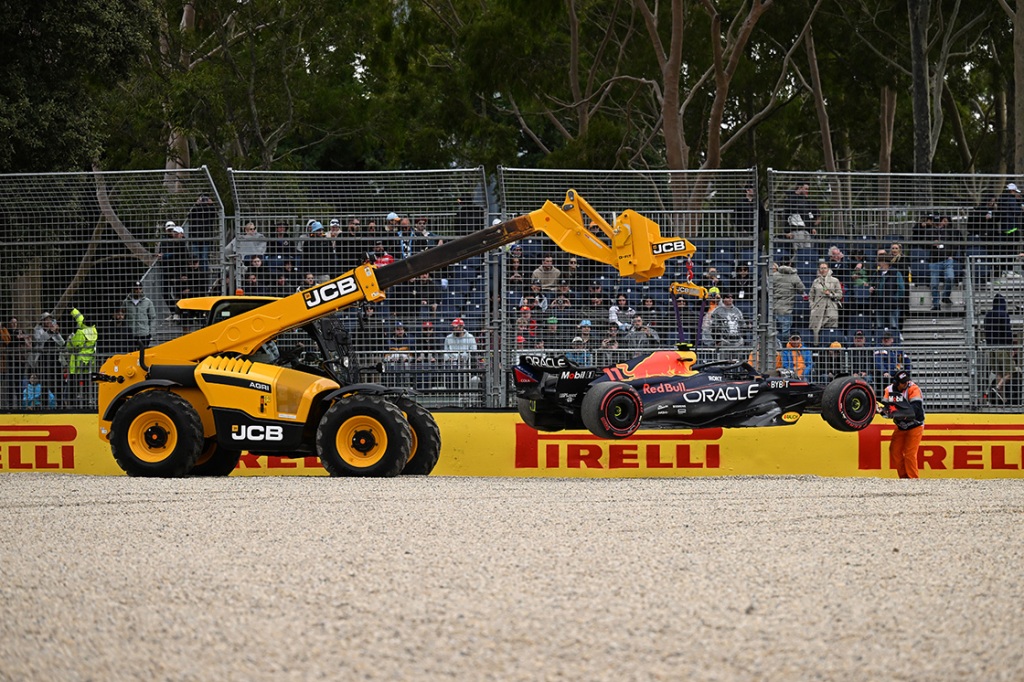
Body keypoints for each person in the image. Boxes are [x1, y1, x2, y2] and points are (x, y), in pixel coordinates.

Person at [877, 369, 925, 479]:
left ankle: (913, 479)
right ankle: (903, 478)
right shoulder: (888, 390)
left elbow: (916, 409)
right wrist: (882, 411)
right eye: (903, 382)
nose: (906, 383)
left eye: (907, 381)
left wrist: (896, 412)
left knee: (910, 454)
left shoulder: (914, 388)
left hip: (915, 425)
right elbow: (885, 408)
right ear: (896, 382)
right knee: (894, 451)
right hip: (901, 426)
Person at [913, 213, 958, 310]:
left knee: (950, 277)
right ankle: (936, 304)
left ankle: (945, 296)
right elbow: (923, 245)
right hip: (934, 261)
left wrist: (952, 254)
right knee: (934, 284)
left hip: (947, 259)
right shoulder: (929, 231)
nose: (939, 224)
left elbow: (955, 243)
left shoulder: (949, 231)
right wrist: (931, 244)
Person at [983, 293, 1014, 403]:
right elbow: (1007, 331)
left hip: (991, 348)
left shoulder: (988, 315)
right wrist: (1010, 347)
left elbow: (986, 330)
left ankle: (1003, 398)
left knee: (999, 373)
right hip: (1002, 347)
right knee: (1011, 371)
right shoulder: (1003, 314)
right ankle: (997, 387)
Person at [66, 307, 98, 409]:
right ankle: (87, 403)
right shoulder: (93, 330)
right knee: (86, 385)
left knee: (73, 385)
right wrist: (73, 310)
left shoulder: (81, 332)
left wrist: (70, 340)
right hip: (89, 363)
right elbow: (79, 318)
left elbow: (74, 345)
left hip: (77, 362)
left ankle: (72, 404)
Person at [808, 262, 842, 345]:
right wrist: (812, 306)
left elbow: (840, 295)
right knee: (816, 332)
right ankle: (817, 349)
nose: (823, 270)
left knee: (829, 333)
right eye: (821, 268)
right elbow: (811, 296)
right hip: (817, 310)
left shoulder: (835, 281)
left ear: (828, 269)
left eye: (825, 268)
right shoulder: (816, 281)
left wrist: (830, 294)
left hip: (830, 310)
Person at [771, 260, 806, 342]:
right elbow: (802, 289)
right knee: (785, 334)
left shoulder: (774, 276)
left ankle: (775, 352)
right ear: (790, 264)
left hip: (774, 308)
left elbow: (768, 289)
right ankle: (784, 351)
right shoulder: (793, 276)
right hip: (786, 309)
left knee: (773, 333)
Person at [872, 257, 905, 335]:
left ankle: (895, 344)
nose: (878, 264)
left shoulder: (896, 273)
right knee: (879, 326)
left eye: (880, 262)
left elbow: (901, 289)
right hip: (879, 304)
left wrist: (894, 299)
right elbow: (872, 284)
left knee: (893, 326)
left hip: (891, 305)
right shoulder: (877, 274)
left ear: (886, 263)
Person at [873, 329, 911, 394]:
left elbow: (906, 360)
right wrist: (884, 372)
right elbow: (878, 363)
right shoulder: (879, 349)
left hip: (897, 373)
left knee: (906, 381)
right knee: (884, 380)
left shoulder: (897, 349)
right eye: (884, 338)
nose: (886, 340)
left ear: (892, 340)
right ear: (882, 340)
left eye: (888, 338)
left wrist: (907, 372)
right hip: (884, 375)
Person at [123, 281, 157, 349]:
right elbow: (123, 317)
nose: (138, 290)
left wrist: (151, 333)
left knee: (143, 354)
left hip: (144, 334)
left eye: (140, 288)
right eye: (136, 289)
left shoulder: (148, 302)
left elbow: (152, 318)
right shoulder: (126, 302)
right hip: (130, 334)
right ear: (132, 289)